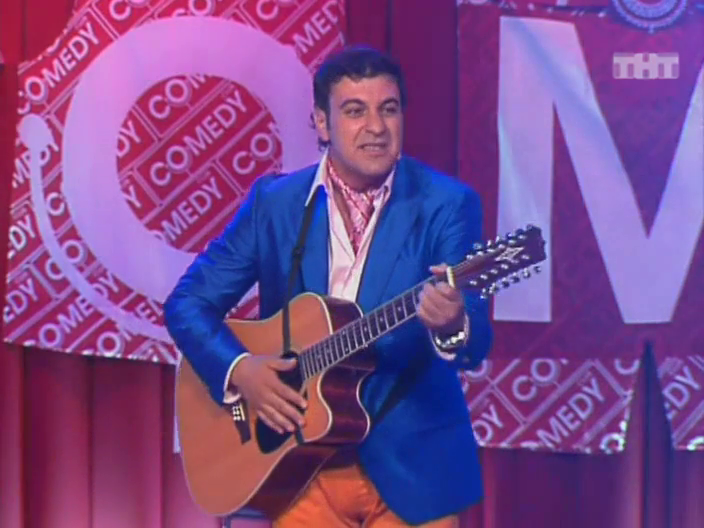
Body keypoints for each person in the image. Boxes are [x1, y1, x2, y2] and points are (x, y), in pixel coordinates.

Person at [164, 45, 492, 527]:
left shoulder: (447, 203)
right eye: (355, 111)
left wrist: (453, 323)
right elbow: (188, 303)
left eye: (388, 109)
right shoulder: (275, 204)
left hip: (413, 470)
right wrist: (240, 370)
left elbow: (476, 337)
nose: (376, 127)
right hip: (300, 466)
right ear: (322, 123)